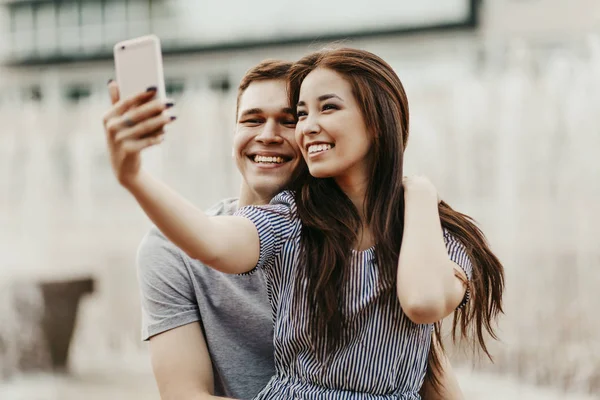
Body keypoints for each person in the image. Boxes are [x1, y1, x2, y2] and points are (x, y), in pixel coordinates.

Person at [101, 52, 491, 399]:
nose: (298, 129)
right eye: (302, 114)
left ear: (376, 122)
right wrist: (135, 176)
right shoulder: (287, 224)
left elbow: (422, 313)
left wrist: (420, 193)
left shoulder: (428, 236)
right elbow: (212, 244)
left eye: (295, 117)